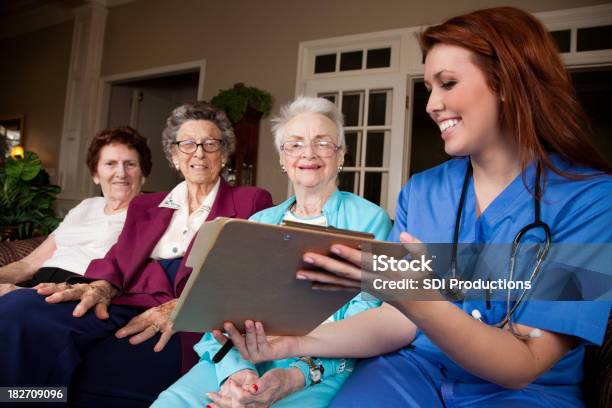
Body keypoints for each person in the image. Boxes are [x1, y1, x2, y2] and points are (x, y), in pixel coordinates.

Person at [216, 8, 612, 408]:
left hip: (524, 394)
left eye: (448, 84)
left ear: (510, 82)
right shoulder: (422, 192)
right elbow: (397, 321)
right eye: (429, 88)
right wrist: (300, 342)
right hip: (414, 372)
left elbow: (523, 363)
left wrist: (416, 296)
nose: (431, 105)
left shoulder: (592, 201)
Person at [0, 102, 273, 405]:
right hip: (124, 295)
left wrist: (183, 308)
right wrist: (100, 285)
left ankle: (40, 399)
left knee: (97, 375)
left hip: (184, 306)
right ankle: (17, 400)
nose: (198, 153)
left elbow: (249, 272)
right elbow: (119, 257)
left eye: (210, 144)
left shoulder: (250, 200)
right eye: (187, 144)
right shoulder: (147, 204)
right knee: (16, 311)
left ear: (223, 154)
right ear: (173, 155)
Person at [152, 96, 391, 408]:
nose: (308, 153)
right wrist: (236, 373)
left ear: (340, 154)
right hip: (240, 357)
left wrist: (295, 375)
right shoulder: (258, 222)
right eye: (295, 144)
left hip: (319, 367)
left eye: (322, 143)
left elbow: (367, 317)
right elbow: (223, 310)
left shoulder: (369, 221)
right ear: (282, 157)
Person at [0, 126, 151, 296]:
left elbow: (130, 278)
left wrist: (17, 293)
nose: (121, 173)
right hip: (36, 284)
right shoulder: (86, 206)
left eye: (130, 164)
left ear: (143, 174)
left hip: (77, 292)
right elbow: (28, 264)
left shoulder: (150, 213)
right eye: (110, 164)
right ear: (95, 174)